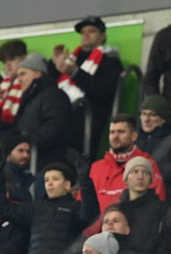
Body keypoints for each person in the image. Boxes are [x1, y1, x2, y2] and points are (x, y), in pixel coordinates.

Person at [53, 15, 124, 157]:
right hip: (61, 119)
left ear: (102, 36)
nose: (86, 34)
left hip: (88, 120)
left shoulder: (110, 61)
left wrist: (74, 72)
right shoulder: (70, 58)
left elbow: (103, 91)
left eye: (91, 31)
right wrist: (53, 66)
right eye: (83, 32)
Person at [7, 53, 72, 166]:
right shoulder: (28, 100)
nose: (19, 79)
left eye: (23, 74)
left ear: (37, 73)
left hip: (49, 163)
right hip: (31, 161)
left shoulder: (54, 95)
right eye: (18, 76)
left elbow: (55, 127)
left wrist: (27, 144)